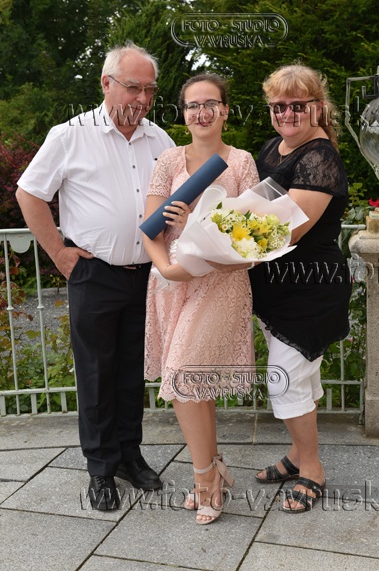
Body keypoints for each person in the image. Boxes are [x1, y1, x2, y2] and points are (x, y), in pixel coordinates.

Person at [16, 41, 175, 511]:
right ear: (106, 83)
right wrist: (59, 253)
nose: (143, 99)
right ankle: (101, 469)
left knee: (132, 372)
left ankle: (129, 455)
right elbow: (29, 194)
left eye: (150, 90)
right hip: (94, 274)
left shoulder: (160, 140)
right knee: (96, 373)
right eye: (133, 87)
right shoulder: (70, 135)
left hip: (146, 275)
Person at [142, 73, 259, 525]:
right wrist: (167, 268)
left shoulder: (242, 162)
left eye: (211, 103)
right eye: (193, 105)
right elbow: (150, 228)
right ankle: (215, 467)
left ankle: (205, 480)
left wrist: (196, 222)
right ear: (184, 113)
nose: (202, 112)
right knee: (196, 385)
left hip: (220, 283)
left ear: (225, 110)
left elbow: (251, 236)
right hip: (172, 283)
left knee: (183, 376)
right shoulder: (168, 159)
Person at [249, 63, 352, 513]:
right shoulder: (273, 148)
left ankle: (312, 468)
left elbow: (287, 229)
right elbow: (252, 204)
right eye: (278, 106)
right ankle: (296, 455)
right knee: (303, 375)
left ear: (317, 107)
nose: (286, 114)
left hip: (310, 288)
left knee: (285, 378)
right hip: (276, 289)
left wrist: (222, 248)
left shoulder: (319, 157)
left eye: (297, 105)